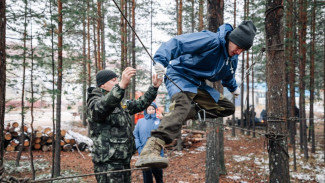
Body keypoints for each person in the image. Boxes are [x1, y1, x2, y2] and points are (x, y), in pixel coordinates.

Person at [135, 21, 256, 169]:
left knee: (227, 107)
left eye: (243, 50)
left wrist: (233, 88)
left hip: (198, 85)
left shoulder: (231, 59)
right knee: (182, 106)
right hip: (179, 76)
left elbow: (228, 75)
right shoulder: (211, 40)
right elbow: (178, 43)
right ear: (232, 40)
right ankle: (151, 149)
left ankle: (187, 112)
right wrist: (160, 60)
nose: (239, 52)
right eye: (238, 47)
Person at [87, 67, 163, 183]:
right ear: (102, 85)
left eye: (118, 80)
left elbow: (140, 103)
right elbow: (99, 110)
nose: (117, 82)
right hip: (108, 163)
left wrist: (154, 88)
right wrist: (121, 86)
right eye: (113, 80)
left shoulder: (119, 102)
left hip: (122, 159)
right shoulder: (95, 99)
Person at [133, 103, 164, 183]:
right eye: (149, 109)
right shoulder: (140, 121)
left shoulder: (158, 120)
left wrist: (162, 119)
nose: (151, 111)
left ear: (155, 110)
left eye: (153, 109)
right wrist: (138, 146)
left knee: (159, 176)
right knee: (147, 177)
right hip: (144, 152)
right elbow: (135, 134)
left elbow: (164, 131)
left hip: (157, 152)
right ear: (146, 110)